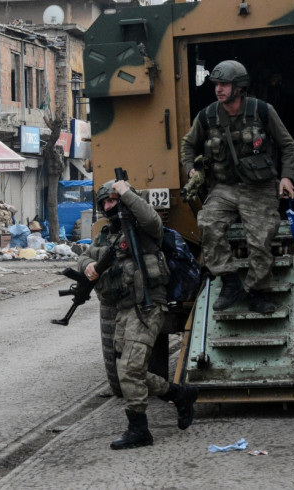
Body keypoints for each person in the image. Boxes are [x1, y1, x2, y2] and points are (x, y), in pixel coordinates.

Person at [78, 180, 198, 450]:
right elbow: (84, 256)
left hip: (148, 306)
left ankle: (139, 429)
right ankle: (180, 394)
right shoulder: (108, 235)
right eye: (104, 203)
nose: (108, 206)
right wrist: (89, 266)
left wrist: (126, 193)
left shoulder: (143, 230)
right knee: (128, 373)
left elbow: (150, 218)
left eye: (112, 200)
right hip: (123, 309)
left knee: (131, 370)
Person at [180, 59, 294, 314]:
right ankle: (230, 281)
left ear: (239, 87)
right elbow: (188, 144)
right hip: (224, 188)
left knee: (262, 237)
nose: (218, 89)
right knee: (208, 224)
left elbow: (288, 145)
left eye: (224, 84)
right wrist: (190, 167)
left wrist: (286, 177)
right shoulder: (208, 115)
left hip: (260, 186)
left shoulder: (263, 111)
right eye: (216, 85)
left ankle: (257, 291)